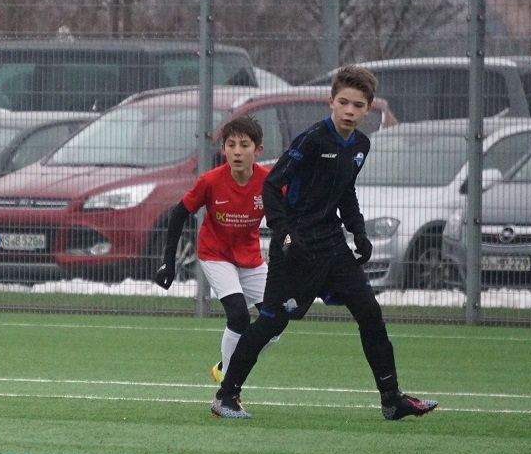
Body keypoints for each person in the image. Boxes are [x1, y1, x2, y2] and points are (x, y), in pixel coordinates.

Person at [210, 65, 438, 420]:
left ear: (368, 109)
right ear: (331, 101)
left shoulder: (360, 145)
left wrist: (358, 232)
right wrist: (284, 232)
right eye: (343, 102)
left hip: (332, 246)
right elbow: (272, 185)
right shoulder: (313, 139)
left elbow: (345, 191)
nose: (349, 111)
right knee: (271, 322)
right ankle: (226, 396)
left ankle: (392, 399)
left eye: (358, 105)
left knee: (370, 314)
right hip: (296, 248)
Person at [154, 116, 280, 383]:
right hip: (215, 255)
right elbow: (178, 214)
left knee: (276, 321)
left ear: (258, 150)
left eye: (244, 145)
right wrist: (168, 261)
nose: (237, 152)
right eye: (230, 145)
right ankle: (228, 385)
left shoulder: (269, 183)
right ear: (223, 149)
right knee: (239, 316)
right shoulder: (210, 181)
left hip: (251, 259)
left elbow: (287, 219)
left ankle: (227, 365)